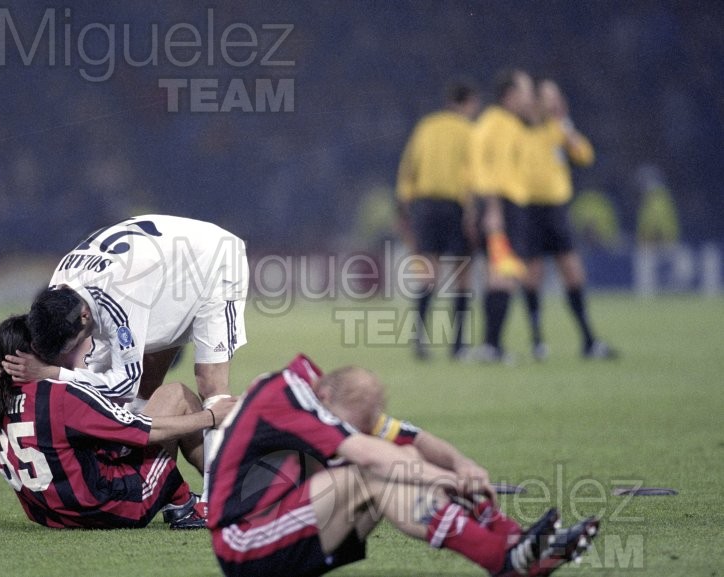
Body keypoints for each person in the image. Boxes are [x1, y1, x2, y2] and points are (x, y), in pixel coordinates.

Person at [207, 354, 600, 577]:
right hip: (244, 542)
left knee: (405, 462)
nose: (364, 428)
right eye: (358, 422)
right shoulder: (285, 396)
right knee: (376, 475)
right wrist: (450, 480)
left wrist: (460, 463)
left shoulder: (326, 397)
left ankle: (515, 544)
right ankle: (503, 559)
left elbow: (411, 440)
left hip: (288, 524)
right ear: (324, 395)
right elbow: (370, 453)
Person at [0, 315, 236, 535]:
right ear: (35, 350)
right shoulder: (59, 395)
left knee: (139, 419)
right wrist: (210, 417)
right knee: (175, 396)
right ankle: (192, 503)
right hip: (107, 507)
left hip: (53, 517)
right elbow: (144, 431)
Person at [1, 214, 248, 510]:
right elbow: (101, 374)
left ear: (84, 317)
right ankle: (155, 479)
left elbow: (122, 384)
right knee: (147, 385)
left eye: (71, 345)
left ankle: (215, 502)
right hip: (161, 274)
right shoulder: (60, 289)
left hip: (212, 262)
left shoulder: (118, 300)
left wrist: (55, 373)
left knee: (210, 383)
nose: (70, 353)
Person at [521, 80, 617, 360]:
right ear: (537, 100)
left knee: (573, 272)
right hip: (530, 209)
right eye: (550, 96)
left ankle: (589, 340)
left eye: (557, 96)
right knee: (533, 275)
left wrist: (567, 127)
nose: (556, 102)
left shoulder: (558, 128)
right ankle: (537, 342)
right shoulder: (522, 128)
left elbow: (585, 156)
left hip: (556, 210)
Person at [396, 79, 481, 360]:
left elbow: (408, 168)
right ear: (468, 103)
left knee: (428, 274)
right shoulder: (469, 130)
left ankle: (419, 340)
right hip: (455, 207)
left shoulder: (426, 126)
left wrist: (405, 208)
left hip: (424, 206)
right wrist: (471, 211)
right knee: (462, 276)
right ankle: (458, 345)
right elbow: (473, 173)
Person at [469, 69, 535, 362]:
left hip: (505, 206)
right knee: (502, 274)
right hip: (501, 207)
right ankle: (491, 346)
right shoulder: (498, 125)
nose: (529, 98)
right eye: (525, 92)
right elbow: (488, 170)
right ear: (510, 96)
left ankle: (491, 345)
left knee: (501, 274)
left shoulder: (504, 124)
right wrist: (493, 210)